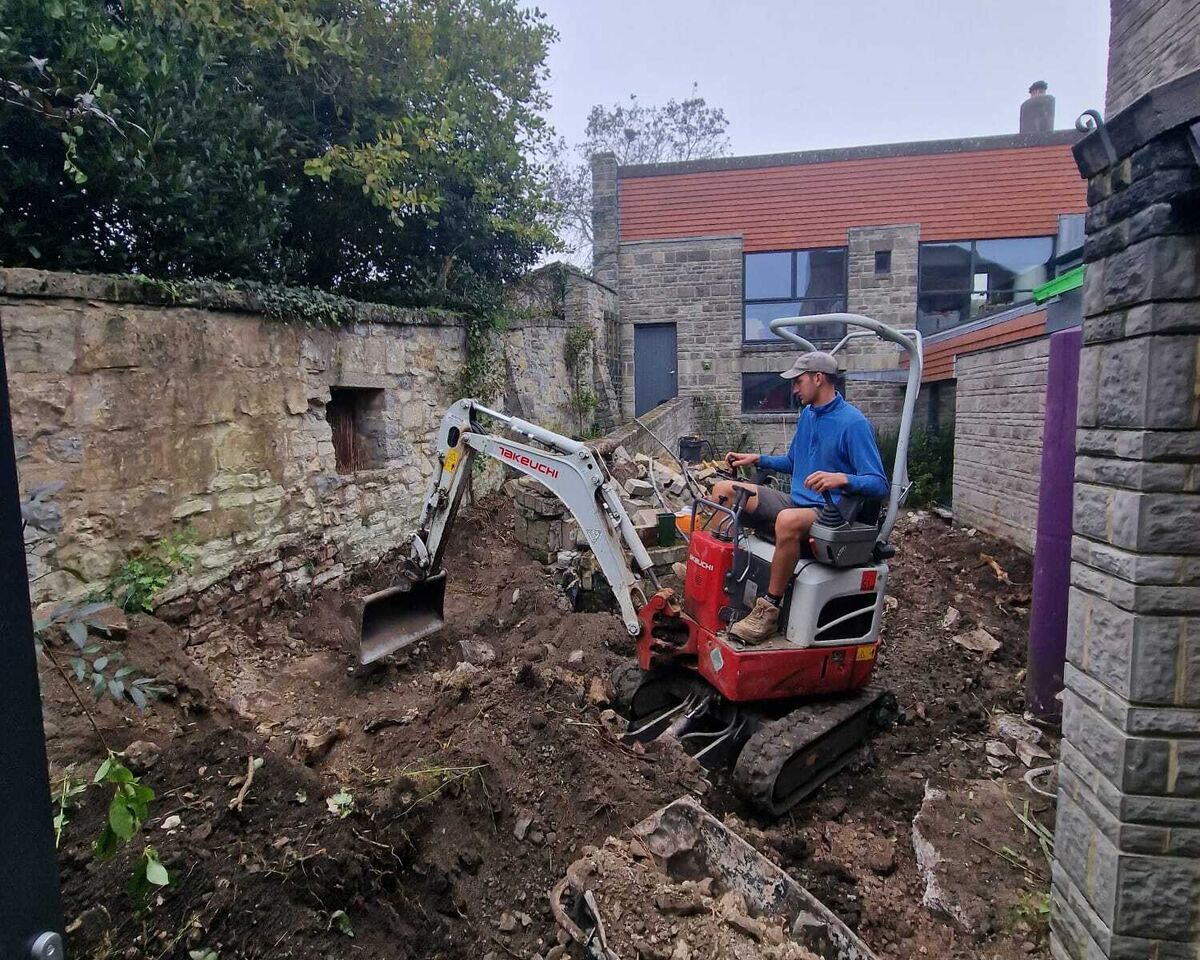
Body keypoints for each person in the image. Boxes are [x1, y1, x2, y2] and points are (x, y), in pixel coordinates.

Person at [713, 351, 888, 644]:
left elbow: (878, 484)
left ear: (818, 379)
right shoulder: (808, 415)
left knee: (787, 520)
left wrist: (842, 478)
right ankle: (718, 575)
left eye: (799, 381)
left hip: (831, 513)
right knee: (724, 492)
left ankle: (768, 611)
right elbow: (794, 462)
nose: (794, 389)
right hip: (797, 501)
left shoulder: (853, 423)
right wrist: (758, 458)